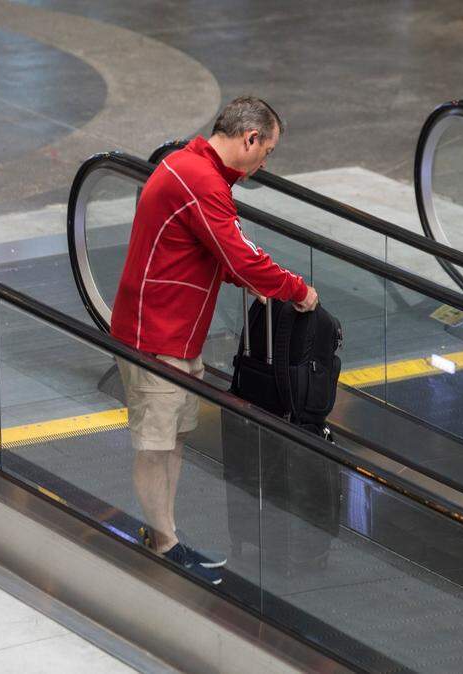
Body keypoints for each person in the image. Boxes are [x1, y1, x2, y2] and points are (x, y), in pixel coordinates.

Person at [110, 96, 318, 584]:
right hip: (154, 337)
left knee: (174, 438)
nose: (264, 163)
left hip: (177, 336)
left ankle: (167, 536)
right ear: (249, 139)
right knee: (155, 444)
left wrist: (246, 279)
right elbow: (242, 256)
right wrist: (296, 290)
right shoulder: (200, 179)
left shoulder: (194, 169)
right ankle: (163, 543)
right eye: (266, 152)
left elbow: (208, 253)